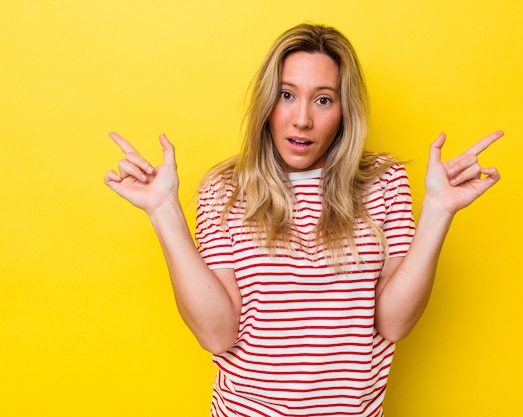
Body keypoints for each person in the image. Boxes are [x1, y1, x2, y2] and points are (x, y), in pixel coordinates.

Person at [104, 23, 502, 417]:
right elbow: (217, 334)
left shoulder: (384, 181)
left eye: (323, 100)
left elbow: (393, 323)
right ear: (266, 103)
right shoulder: (225, 190)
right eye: (286, 95)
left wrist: (438, 211)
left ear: (346, 110)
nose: (302, 119)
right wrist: (163, 211)